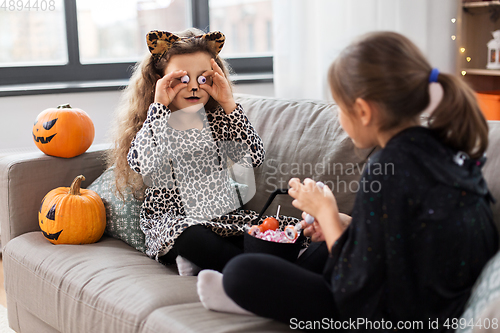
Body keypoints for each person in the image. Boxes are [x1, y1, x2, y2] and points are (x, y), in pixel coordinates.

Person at [196, 31, 499, 331]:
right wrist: (346, 224)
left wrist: (327, 214)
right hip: (430, 296)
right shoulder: (442, 149)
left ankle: (250, 297)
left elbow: (354, 291)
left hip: (404, 316)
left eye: (340, 107)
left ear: (364, 111)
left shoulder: (388, 166)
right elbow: (412, 239)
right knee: (319, 246)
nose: (339, 117)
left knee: (241, 272)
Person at [107, 28, 297, 276]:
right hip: (174, 222)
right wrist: (159, 106)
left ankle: (238, 267)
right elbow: (142, 162)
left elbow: (254, 157)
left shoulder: (218, 120)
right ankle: (257, 274)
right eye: (182, 79)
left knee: (269, 232)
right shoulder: (156, 124)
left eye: (203, 79)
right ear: (159, 82)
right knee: (190, 237)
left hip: (222, 219)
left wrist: (229, 105)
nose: (194, 87)